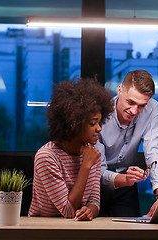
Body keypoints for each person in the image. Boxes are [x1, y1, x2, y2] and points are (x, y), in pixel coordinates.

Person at [28, 78, 113, 221]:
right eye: (93, 123)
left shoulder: (91, 153)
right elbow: (68, 211)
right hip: (44, 230)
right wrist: (85, 166)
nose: (99, 128)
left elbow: (95, 202)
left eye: (99, 122)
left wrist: (89, 211)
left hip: (77, 229)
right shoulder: (47, 157)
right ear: (74, 123)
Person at [95, 69, 158, 217]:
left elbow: (153, 152)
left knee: (131, 235)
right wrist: (124, 179)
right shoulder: (100, 111)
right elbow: (97, 168)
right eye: (131, 102)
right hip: (95, 186)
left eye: (141, 105)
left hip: (126, 188)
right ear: (120, 90)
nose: (134, 111)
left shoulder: (152, 107)